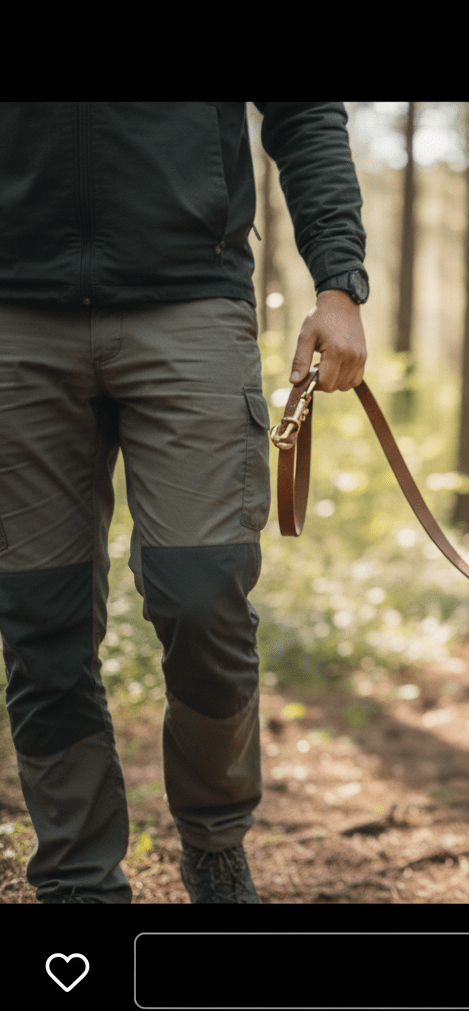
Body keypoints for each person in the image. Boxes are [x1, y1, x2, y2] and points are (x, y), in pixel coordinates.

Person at [0, 101, 369, 903]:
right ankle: (77, 880)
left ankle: (212, 838)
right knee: (40, 620)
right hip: (16, 318)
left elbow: (306, 116)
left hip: (191, 306)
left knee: (203, 598)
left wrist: (339, 285)